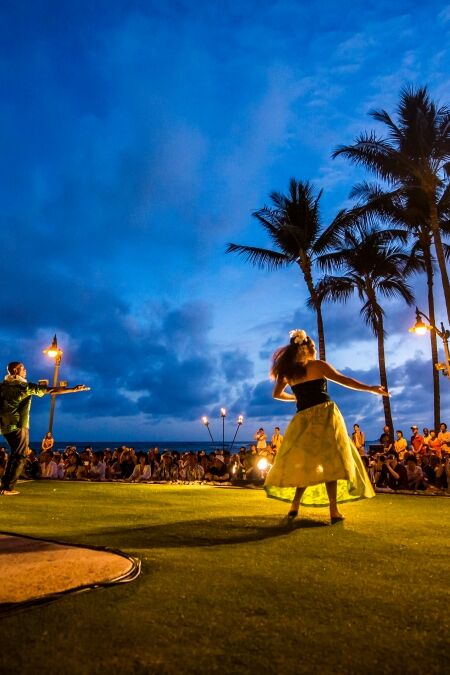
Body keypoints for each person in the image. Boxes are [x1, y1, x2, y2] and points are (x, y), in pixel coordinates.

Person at [264, 329, 388, 523]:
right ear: (307, 348)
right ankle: (333, 510)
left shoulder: (288, 372)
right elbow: (345, 380)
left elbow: (277, 394)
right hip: (325, 414)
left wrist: (295, 397)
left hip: (303, 418)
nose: (314, 350)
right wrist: (370, 389)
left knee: (305, 464)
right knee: (331, 463)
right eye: (313, 347)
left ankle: (295, 505)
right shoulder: (318, 365)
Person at [0, 361, 89, 495]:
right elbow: (50, 390)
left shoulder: (2, 386)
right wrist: (73, 389)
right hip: (19, 425)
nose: (26, 371)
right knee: (20, 455)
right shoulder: (24, 386)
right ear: (15, 371)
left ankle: (5, 485)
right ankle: (8, 487)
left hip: (4, 426)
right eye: (23, 368)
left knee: (14, 455)